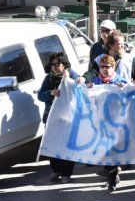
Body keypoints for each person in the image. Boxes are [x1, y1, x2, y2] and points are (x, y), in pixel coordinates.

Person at [85, 55, 129, 191]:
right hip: (100, 122)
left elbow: (130, 97)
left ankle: (112, 179)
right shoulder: (96, 81)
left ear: (113, 67)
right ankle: (112, 175)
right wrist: (89, 89)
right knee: (104, 151)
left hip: (116, 122)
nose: (104, 69)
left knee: (112, 151)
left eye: (107, 67)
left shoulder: (120, 81)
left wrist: (124, 88)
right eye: (102, 67)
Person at [38, 52, 80, 183]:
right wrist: (51, 93)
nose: (55, 67)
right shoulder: (48, 79)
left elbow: (81, 86)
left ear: (64, 64)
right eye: (53, 64)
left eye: (58, 64)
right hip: (52, 118)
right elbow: (40, 95)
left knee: (67, 146)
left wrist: (73, 81)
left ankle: (66, 174)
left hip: (68, 118)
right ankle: (56, 170)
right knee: (52, 145)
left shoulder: (71, 75)